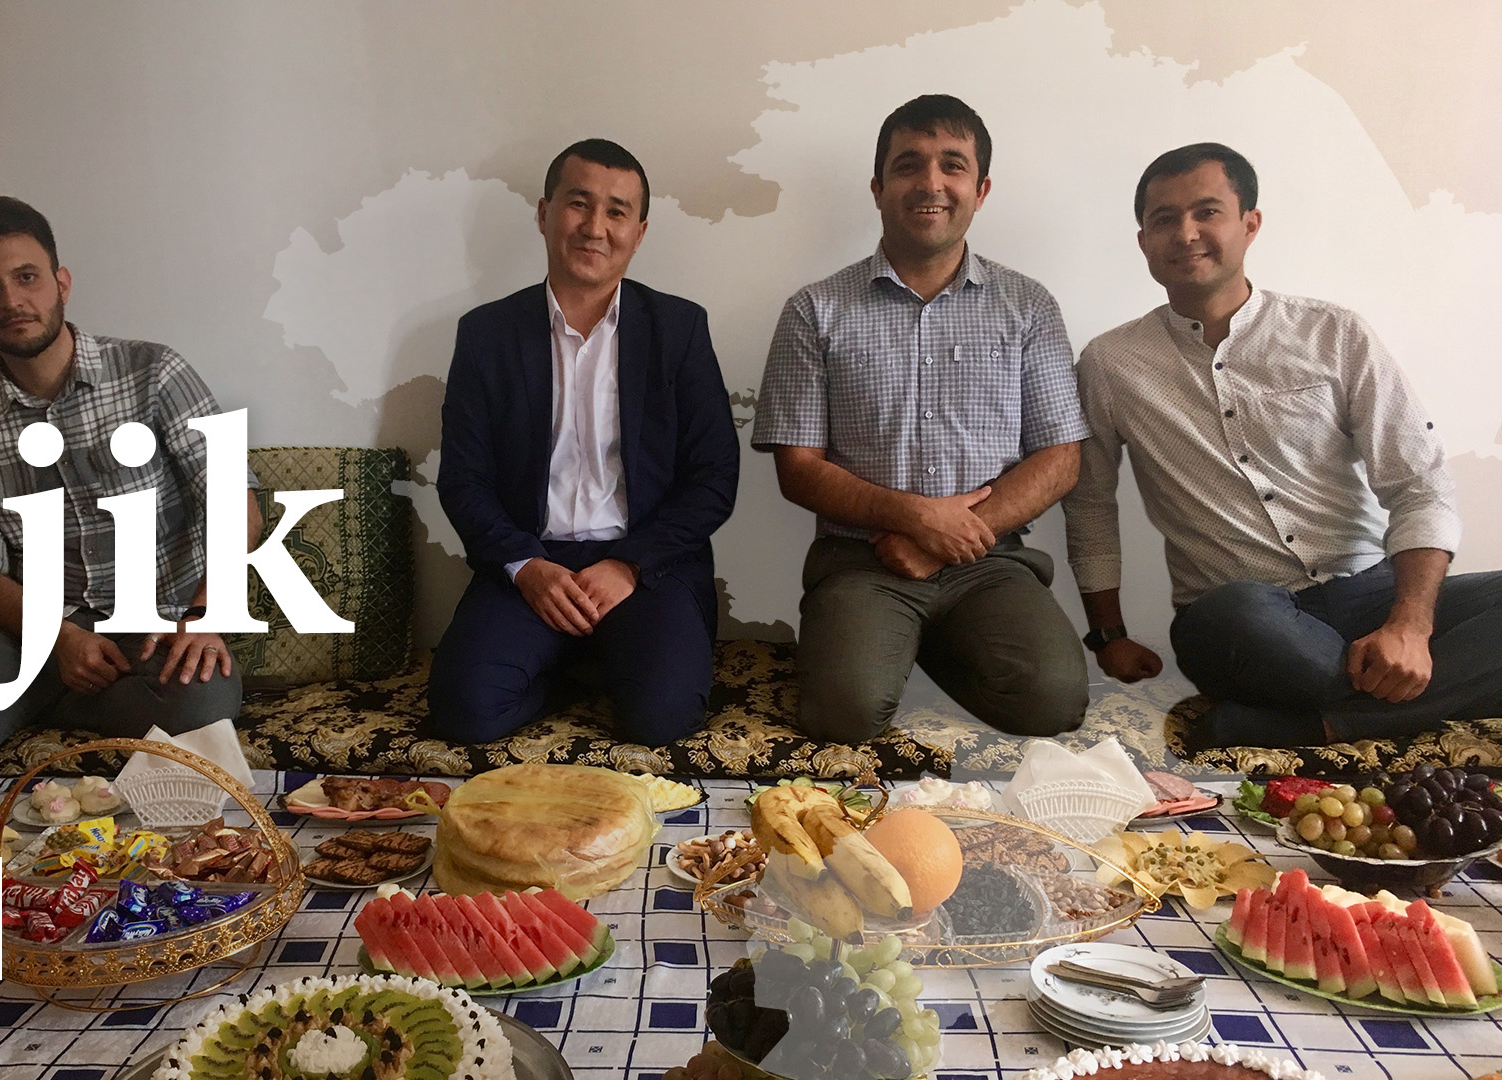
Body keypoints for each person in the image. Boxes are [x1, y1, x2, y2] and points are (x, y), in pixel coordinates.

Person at [1064, 143, 1502, 749]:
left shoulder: (1334, 333)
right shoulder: (1112, 364)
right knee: (1238, 615)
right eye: (1164, 219)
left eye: (1207, 212)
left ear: (1251, 224)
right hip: (1240, 620)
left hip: (1371, 589)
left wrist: (1409, 625)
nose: (1185, 233)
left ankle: (1320, 724)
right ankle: (1386, 699)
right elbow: (1089, 503)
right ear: (1143, 241)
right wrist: (1108, 635)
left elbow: (1419, 482)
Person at [0, 196, 260, 780]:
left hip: (154, 622)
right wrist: (61, 640)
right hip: (28, 628)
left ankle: (53, 698)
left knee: (203, 711)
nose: (10, 301)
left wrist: (202, 613)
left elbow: (237, 502)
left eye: (26, 277)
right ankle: (41, 689)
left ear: (60, 283)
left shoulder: (154, 371)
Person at [752, 94, 1092, 743]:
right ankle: (893, 645)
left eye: (952, 165)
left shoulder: (1030, 306)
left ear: (980, 188)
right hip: (862, 560)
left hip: (988, 560)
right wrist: (913, 518)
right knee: (843, 716)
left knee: (1052, 702)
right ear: (879, 188)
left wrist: (945, 537)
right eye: (909, 165)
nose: (930, 182)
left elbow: (1061, 458)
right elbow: (797, 471)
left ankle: (917, 649)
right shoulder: (814, 310)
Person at [429, 139, 739, 746]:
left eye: (617, 211)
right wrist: (524, 566)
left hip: (643, 565)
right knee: (464, 712)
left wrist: (631, 564)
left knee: (663, 719)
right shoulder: (487, 334)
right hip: (531, 560)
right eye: (579, 204)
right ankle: (569, 669)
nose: (595, 227)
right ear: (544, 214)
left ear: (639, 231)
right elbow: (464, 478)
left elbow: (714, 476)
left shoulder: (679, 329)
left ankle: (588, 656)